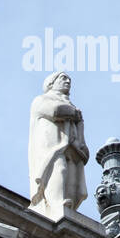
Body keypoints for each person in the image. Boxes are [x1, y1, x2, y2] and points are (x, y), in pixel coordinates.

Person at [28, 72, 89, 220]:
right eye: (63, 78)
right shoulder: (42, 100)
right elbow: (55, 111)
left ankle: (68, 206)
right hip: (52, 148)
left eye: (69, 79)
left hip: (72, 149)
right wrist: (74, 113)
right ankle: (55, 203)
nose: (68, 81)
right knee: (58, 169)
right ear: (51, 83)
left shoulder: (72, 107)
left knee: (73, 180)